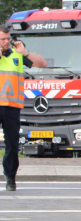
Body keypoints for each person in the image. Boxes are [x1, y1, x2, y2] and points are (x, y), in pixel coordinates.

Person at [0, 27, 46, 191]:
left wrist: (25, 52)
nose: (6, 42)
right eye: (2, 39)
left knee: (12, 144)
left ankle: (10, 177)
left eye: (7, 38)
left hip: (12, 106)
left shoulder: (16, 54)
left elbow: (42, 63)